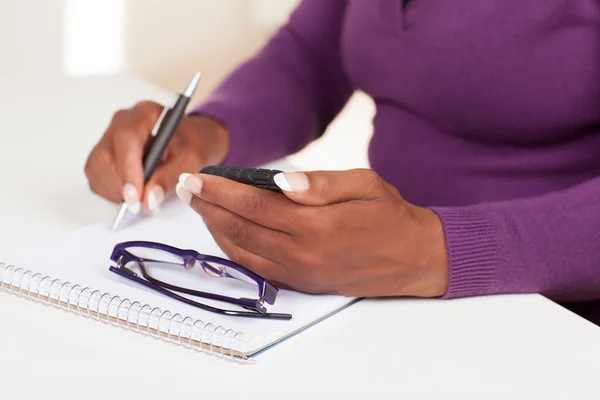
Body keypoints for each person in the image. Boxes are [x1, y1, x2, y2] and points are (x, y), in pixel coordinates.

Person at [84, 1, 600, 324]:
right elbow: (313, 53)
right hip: (389, 303)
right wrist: (205, 133)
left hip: (558, 317)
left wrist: (434, 249)